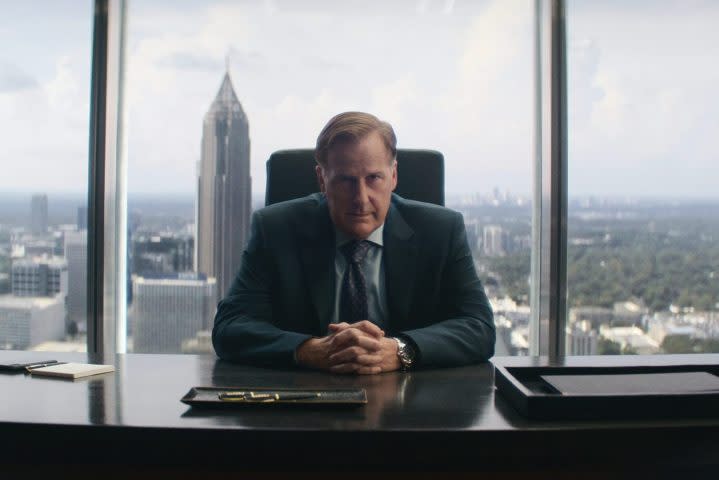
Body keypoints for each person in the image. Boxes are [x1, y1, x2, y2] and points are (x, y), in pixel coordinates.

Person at [212, 112, 494, 374]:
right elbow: (230, 327)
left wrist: (400, 350)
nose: (361, 198)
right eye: (346, 181)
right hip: (306, 405)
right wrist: (309, 349)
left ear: (393, 176)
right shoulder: (274, 230)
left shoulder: (441, 230)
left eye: (374, 178)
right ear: (322, 179)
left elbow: (479, 328)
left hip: (412, 409)